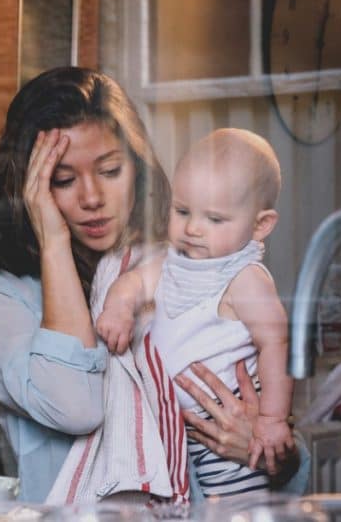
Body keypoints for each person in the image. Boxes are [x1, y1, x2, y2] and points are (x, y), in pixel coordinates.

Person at [0, 67, 307, 504]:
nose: (92, 197)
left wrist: (269, 450)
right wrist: (54, 239)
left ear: (136, 171)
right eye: (62, 180)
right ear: (29, 186)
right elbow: (76, 406)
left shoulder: (181, 269)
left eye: (111, 170)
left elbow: (289, 461)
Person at [96, 128, 293, 498]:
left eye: (215, 219)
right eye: (182, 211)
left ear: (260, 225)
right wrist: (119, 308)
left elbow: (277, 344)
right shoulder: (174, 263)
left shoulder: (244, 278)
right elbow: (135, 283)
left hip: (229, 430)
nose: (192, 229)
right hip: (181, 432)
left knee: (238, 507)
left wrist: (271, 419)